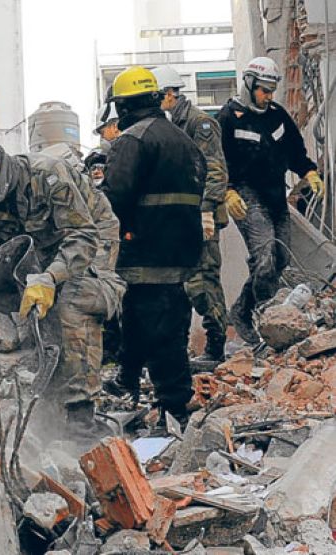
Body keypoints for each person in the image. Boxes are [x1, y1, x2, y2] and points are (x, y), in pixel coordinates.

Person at [0, 114, 118, 434]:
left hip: (91, 247)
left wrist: (50, 278)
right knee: (15, 311)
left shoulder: (50, 176)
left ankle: (81, 412)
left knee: (72, 302)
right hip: (34, 262)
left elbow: (82, 236)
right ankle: (44, 401)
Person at [101, 66, 205, 424]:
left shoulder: (132, 141)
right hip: (182, 251)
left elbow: (114, 197)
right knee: (161, 322)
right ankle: (131, 380)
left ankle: (173, 404)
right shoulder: (184, 139)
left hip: (146, 250)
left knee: (153, 326)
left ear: (124, 107)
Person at [217, 57, 322, 344]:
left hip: (274, 194)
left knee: (281, 258)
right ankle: (267, 320)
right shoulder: (229, 117)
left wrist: (309, 171)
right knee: (263, 258)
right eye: (263, 90)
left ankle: (241, 310)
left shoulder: (277, 115)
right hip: (245, 195)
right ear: (249, 85)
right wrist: (227, 190)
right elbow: (216, 161)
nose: (268, 96)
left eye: (271, 90)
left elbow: (294, 151)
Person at [150, 65, 230, 366]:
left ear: (171, 94)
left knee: (204, 282)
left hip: (200, 216)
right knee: (179, 286)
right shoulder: (170, 125)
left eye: (159, 96)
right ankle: (179, 348)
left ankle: (216, 346)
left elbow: (214, 170)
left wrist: (207, 210)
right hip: (179, 217)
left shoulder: (200, 124)